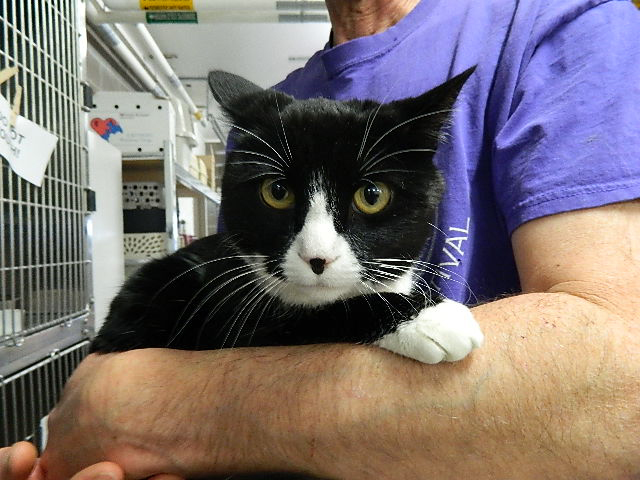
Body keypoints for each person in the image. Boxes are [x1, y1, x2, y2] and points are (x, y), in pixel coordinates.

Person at [2, 0, 640, 478]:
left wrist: (153, 407)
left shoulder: (558, 26)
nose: (316, 250)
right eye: (279, 196)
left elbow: (620, 390)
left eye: (370, 198)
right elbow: (256, 320)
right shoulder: (279, 109)